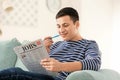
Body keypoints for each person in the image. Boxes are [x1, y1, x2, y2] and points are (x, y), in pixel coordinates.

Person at [0, 7, 101, 80]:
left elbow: (94, 63)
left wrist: (61, 66)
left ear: (77, 24)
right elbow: (41, 69)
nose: (61, 30)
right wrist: (43, 50)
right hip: (40, 77)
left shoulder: (89, 44)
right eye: (58, 26)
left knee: (14, 73)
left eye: (65, 25)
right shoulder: (56, 45)